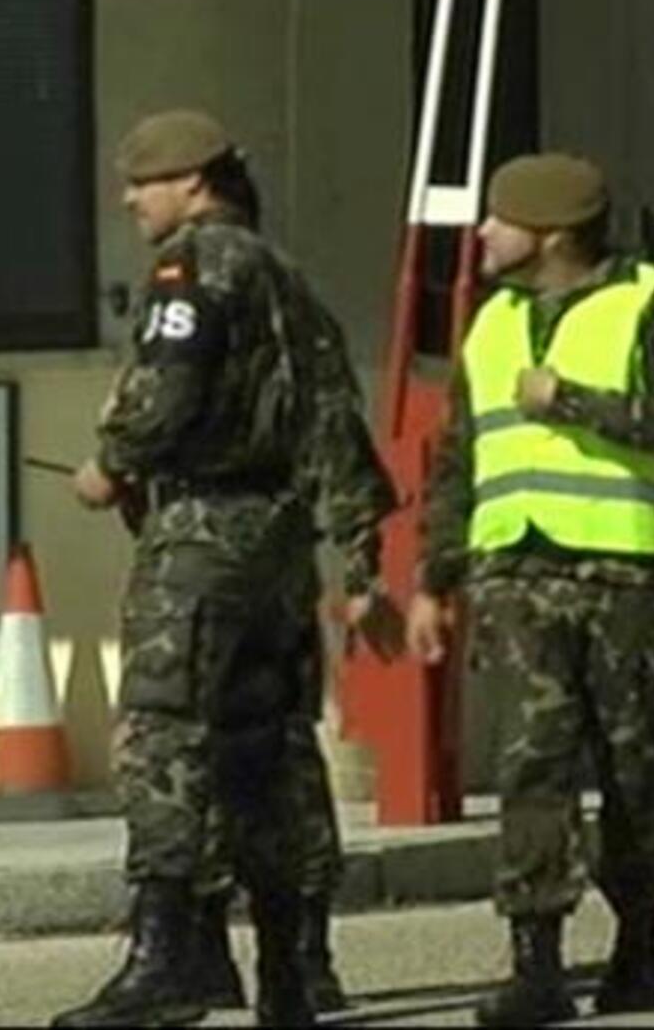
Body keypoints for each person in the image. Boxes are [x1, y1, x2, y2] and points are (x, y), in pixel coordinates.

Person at [53, 108, 393, 1028]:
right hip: (280, 544)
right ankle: (291, 968)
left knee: (164, 731)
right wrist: (361, 562)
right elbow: (336, 425)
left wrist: (112, 464)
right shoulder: (288, 280)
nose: (129, 199)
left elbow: (167, 388)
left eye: (143, 181)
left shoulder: (196, 266)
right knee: (268, 750)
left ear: (194, 182)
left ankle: (167, 956)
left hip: (202, 534)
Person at [406, 152, 654, 1025]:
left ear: (550, 232)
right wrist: (433, 580)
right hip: (519, 577)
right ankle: (535, 964)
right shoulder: (490, 323)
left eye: (498, 221)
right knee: (530, 766)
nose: (483, 235)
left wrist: (568, 399)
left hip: (632, 581)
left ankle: (637, 948)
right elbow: (459, 464)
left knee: (634, 772)